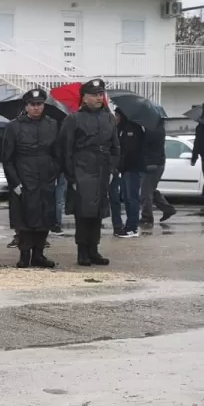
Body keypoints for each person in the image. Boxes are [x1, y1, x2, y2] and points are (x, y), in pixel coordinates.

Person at [60, 79, 119, 267]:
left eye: (100, 94)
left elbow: (115, 147)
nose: (98, 98)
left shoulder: (109, 118)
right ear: (84, 98)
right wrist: (71, 175)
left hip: (102, 169)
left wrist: (112, 168)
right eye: (94, 95)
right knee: (83, 212)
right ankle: (82, 251)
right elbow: (66, 149)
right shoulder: (73, 119)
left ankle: (94, 249)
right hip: (82, 169)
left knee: (98, 212)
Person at [2, 88, 59, 268]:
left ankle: (39, 254)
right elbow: (7, 158)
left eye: (39, 104)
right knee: (24, 217)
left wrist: (53, 172)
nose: (36, 108)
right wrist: (14, 182)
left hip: (45, 178)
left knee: (45, 216)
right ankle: (24, 254)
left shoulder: (52, 124)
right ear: (26, 106)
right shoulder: (14, 126)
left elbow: (57, 153)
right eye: (33, 104)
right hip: (24, 177)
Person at [112, 110, 144, 238]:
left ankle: (132, 227)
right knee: (126, 198)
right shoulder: (121, 128)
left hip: (132, 168)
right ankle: (128, 225)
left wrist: (120, 163)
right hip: (125, 169)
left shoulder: (133, 129)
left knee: (132, 198)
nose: (115, 117)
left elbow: (129, 150)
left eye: (117, 115)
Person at [140, 122, 176, 226]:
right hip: (156, 163)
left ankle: (147, 217)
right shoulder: (158, 129)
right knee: (150, 190)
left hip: (152, 164)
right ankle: (167, 209)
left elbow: (145, 145)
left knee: (146, 192)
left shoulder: (152, 131)